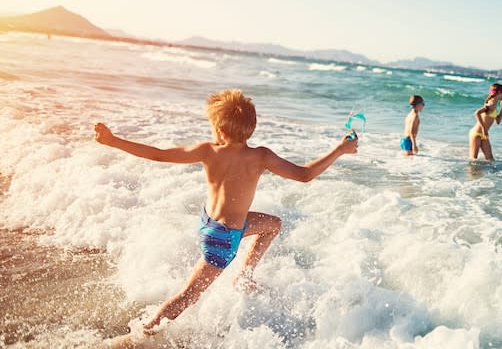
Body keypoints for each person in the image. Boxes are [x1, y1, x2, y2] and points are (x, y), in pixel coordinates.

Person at [93, 88, 358, 334]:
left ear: (219, 129)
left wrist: (113, 140)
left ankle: (244, 276)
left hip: (209, 222)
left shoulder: (208, 150)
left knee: (272, 225)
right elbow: (305, 174)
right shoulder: (261, 156)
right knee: (188, 296)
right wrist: (341, 149)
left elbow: (159, 155)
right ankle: (146, 331)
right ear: (250, 129)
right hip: (224, 238)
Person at [469, 83, 502, 161]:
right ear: (500, 92)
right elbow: (477, 113)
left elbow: (498, 121)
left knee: (490, 160)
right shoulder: (492, 103)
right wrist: (484, 128)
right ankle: (472, 173)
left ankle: (488, 173)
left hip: (484, 135)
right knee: (473, 160)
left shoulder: (495, 104)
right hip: (476, 134)